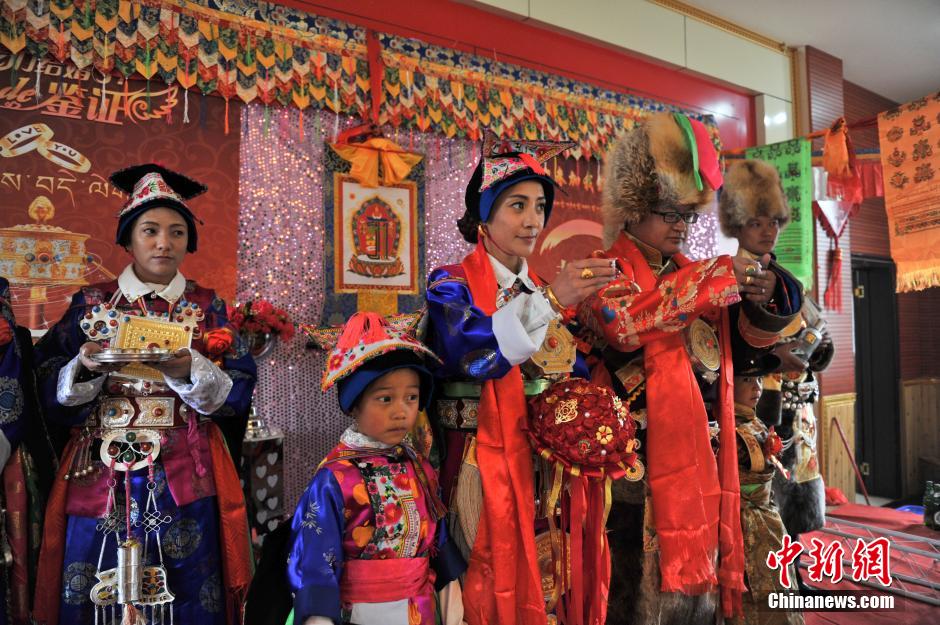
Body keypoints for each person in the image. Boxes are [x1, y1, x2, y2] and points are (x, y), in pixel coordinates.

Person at [32, 164, 255, 625]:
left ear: (188, 242)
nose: (163, 243)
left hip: (185, 465)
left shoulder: (208, 306)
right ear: (128, 240)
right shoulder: (91, 303)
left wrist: (187, 367)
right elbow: (48, 381)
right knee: (93, 578)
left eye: (176, 232)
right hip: (98, 466)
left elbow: (238, 390)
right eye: (150, 230)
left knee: (190, 584)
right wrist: (86, 365)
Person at [577, 112, 762, 624]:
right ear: (634, 209)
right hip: (631, 467)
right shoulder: (600, 269)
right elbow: (627, 325)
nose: (681, 226)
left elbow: (741, 352)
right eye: (669, 212)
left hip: (701, 458)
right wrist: (714, 279)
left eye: (689, 215)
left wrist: (766, 296)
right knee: (632, 594)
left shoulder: (696, 278)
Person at [424, 133, 615, 625]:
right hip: (471, 459)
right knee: (477, 583)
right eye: (516, 205)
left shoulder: (539, 286)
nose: (533, 220)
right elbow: (470, 352)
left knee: (546, 575)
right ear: (483, 217)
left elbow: (566, 372)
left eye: (539, 206)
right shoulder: (451, 284)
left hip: (539, 465)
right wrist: (552, 302)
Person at [288, 312, 464, 625]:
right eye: (385, 399)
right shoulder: (336, 478)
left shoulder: (421, 468)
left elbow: (440, 544)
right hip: (357, 614)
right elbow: (315, 560)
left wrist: (453, 610)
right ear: (354, 405)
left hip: (418, 611)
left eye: (412, 397)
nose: (401, 411)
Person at [718, 160, 833, 594]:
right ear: (737, 225)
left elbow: (818, 335)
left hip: (797, 407)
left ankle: (792, 571)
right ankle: (766, 580)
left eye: (773, 222)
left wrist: (816, 349)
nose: (767, 231)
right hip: (756, 404)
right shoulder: (729, 278)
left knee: (796, 494)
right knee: (762, 499)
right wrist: (772, 360)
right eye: (755, 222)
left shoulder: (790, 281)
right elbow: (723, 349)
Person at [730, 352, 804, 625]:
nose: (756, 387)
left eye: (759, 379)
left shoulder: (754, 421)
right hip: (743, 523)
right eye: (747, 379)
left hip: (767, 517)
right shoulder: (725, 427)